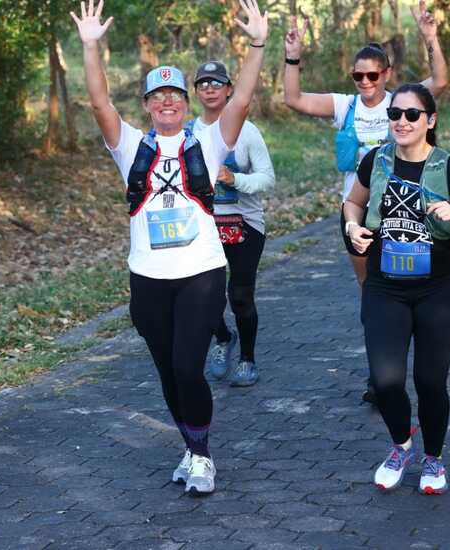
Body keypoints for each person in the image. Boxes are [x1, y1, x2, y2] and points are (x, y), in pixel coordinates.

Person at [71, 0, 268, 495]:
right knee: (166, 372)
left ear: (186, 102)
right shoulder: (130, 146)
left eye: (174, 95)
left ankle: (202, 457)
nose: (166, 103)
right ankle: (190, 446)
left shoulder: (208, 142)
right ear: (146, 105)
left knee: (187, 367)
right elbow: (99, 104)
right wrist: (90, 47)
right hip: (148, 279)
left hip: (201, 273)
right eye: (157, 96)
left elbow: (242, 102)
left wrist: (258, 44)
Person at [284, 1, 447, 405]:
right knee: (371, 292)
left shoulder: (401, 104)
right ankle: (381, 374)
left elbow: (440, 82)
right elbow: (293, 99)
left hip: (403, 213)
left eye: (372, 75)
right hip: (357, 214)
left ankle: (410, 362)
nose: (365, 82)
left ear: (386, 74)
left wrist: (430, 38)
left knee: (408, 288)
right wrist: (293, 57)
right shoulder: (344, 106)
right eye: (358, 76)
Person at [343, 83, 450, 495]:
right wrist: (352, 226)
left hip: (438, 289)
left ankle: (434, 458)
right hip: (384, 286)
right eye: (395, 114)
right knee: (386, 381)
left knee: (429, 382)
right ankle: (401, 446)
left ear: (431, 120)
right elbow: (353, 202)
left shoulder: (449, 167)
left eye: (412, 114)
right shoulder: (376, 161)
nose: (402, 122)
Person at [192, 60, 276, 387]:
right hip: (204, 227)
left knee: (240, 295)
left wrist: (234, 179)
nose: (210, 89)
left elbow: (267, 178)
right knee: (203, 296)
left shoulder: (247, 131)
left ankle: (247, 360)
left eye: (217, 83)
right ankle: (224, 338)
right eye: (203, 84)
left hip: (245, 224)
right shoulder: (189, 133)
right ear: (196, 92)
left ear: (229, 90)